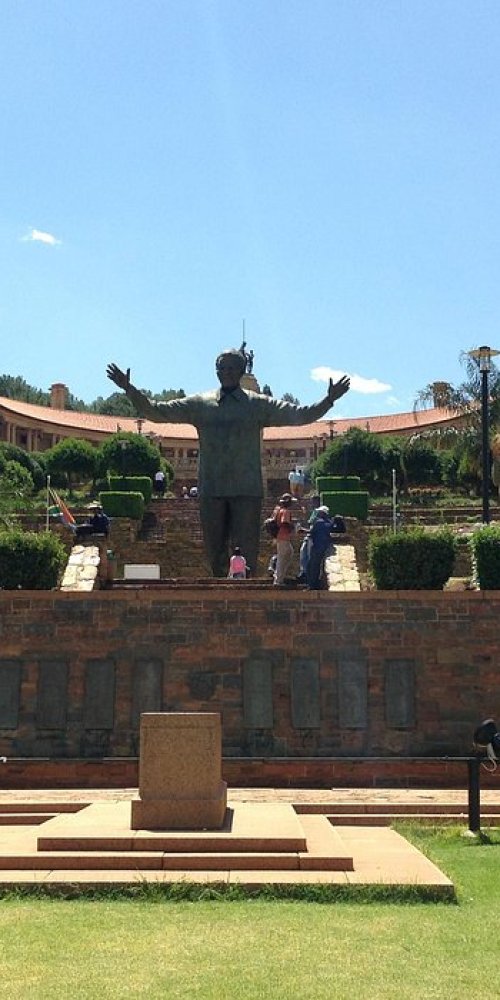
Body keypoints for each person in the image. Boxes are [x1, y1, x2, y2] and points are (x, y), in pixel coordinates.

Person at [107, 350, 349, 577]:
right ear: (216, 371)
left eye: (232, 367)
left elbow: (300, 415)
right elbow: (156, 411)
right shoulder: (200, 404)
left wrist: (328, 400)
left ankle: (249, 603)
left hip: (247, 488)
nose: (227, 372)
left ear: (242, 371)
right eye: (222, 367)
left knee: (248, 555)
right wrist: (129, 388)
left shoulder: (258, 404)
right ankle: (217, 602)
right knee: (214, 553)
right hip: (211, 487)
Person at [307, 506, 335, 590]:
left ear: (322, 513)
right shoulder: (329, 522)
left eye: (319, 512)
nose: (318, 514)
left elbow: (312, 533)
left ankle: (312, 585)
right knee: (319, 566)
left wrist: (302, 530)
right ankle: (318, 584)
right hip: (325, 547)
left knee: (312, 566)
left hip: (317, 547)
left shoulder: (318, 522)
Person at [273, 493, 296, 586]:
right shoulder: (285, 511)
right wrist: (292, 526)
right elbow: (284, 522)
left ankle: (279, 575)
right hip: (283, 537)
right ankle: (278, 580)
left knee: (289, 553)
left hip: (281, 537)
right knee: (282, 558)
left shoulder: (279, 510)